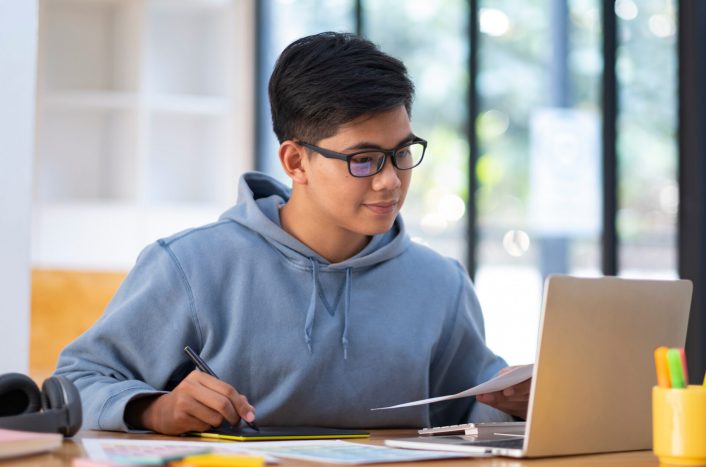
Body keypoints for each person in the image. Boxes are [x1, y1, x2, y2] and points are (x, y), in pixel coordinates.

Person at [55, 32, 530, 435]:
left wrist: (519, 404)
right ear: (295, 161)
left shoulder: (440, 283)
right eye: (363, 159)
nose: (390, 180)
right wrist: (153, 408)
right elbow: (77, 380)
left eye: (402, 152)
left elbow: (466, 418)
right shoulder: (190, 266)